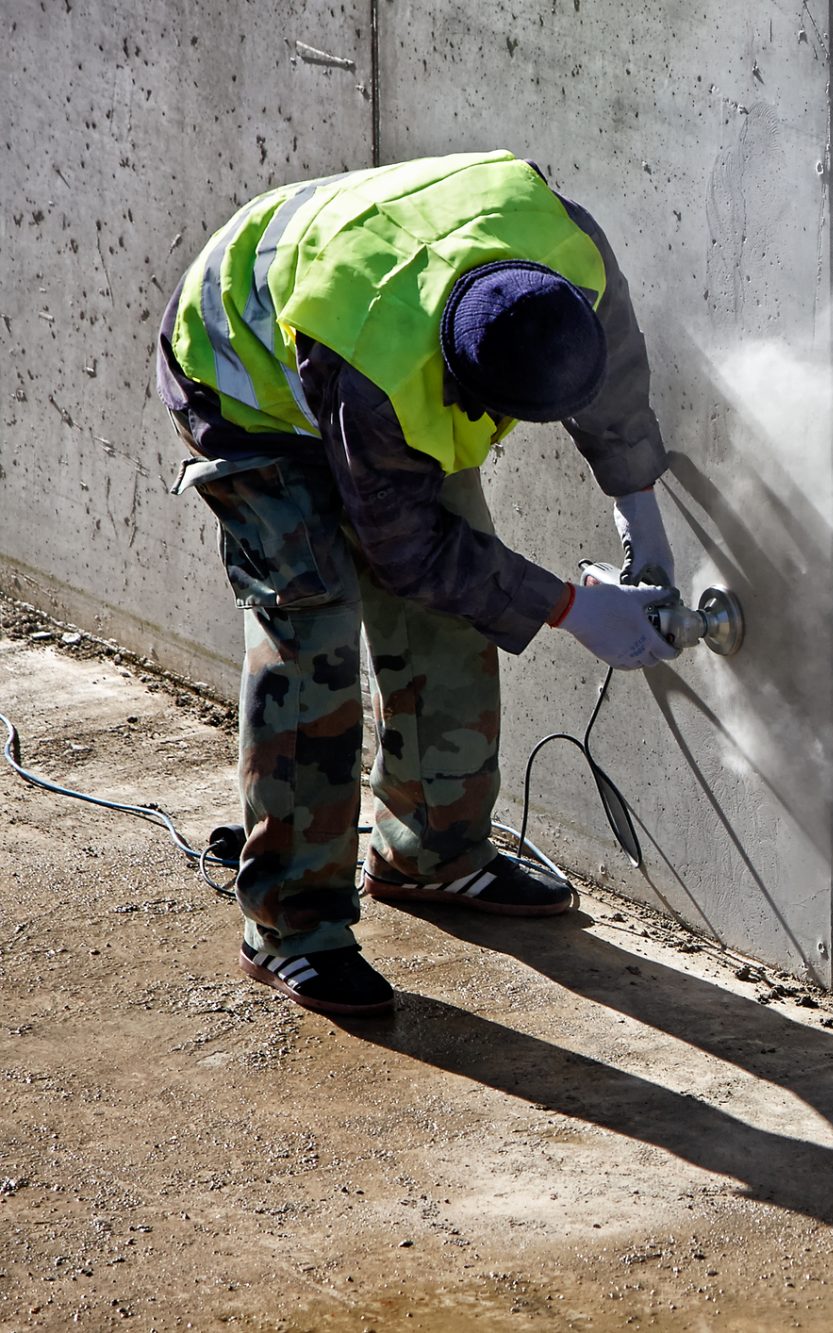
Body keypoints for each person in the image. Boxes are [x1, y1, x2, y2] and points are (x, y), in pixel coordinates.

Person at [155, 149, 682, 1018]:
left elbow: (614, 378)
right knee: (312, 634)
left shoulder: (570, 254)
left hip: (369, 330)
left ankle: (431, 851)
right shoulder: (381, 372)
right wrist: (574, 609)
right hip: (240, 377)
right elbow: (406, 551)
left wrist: (641, 518)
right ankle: (293, 925)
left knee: (456, 613)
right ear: (462, 387)